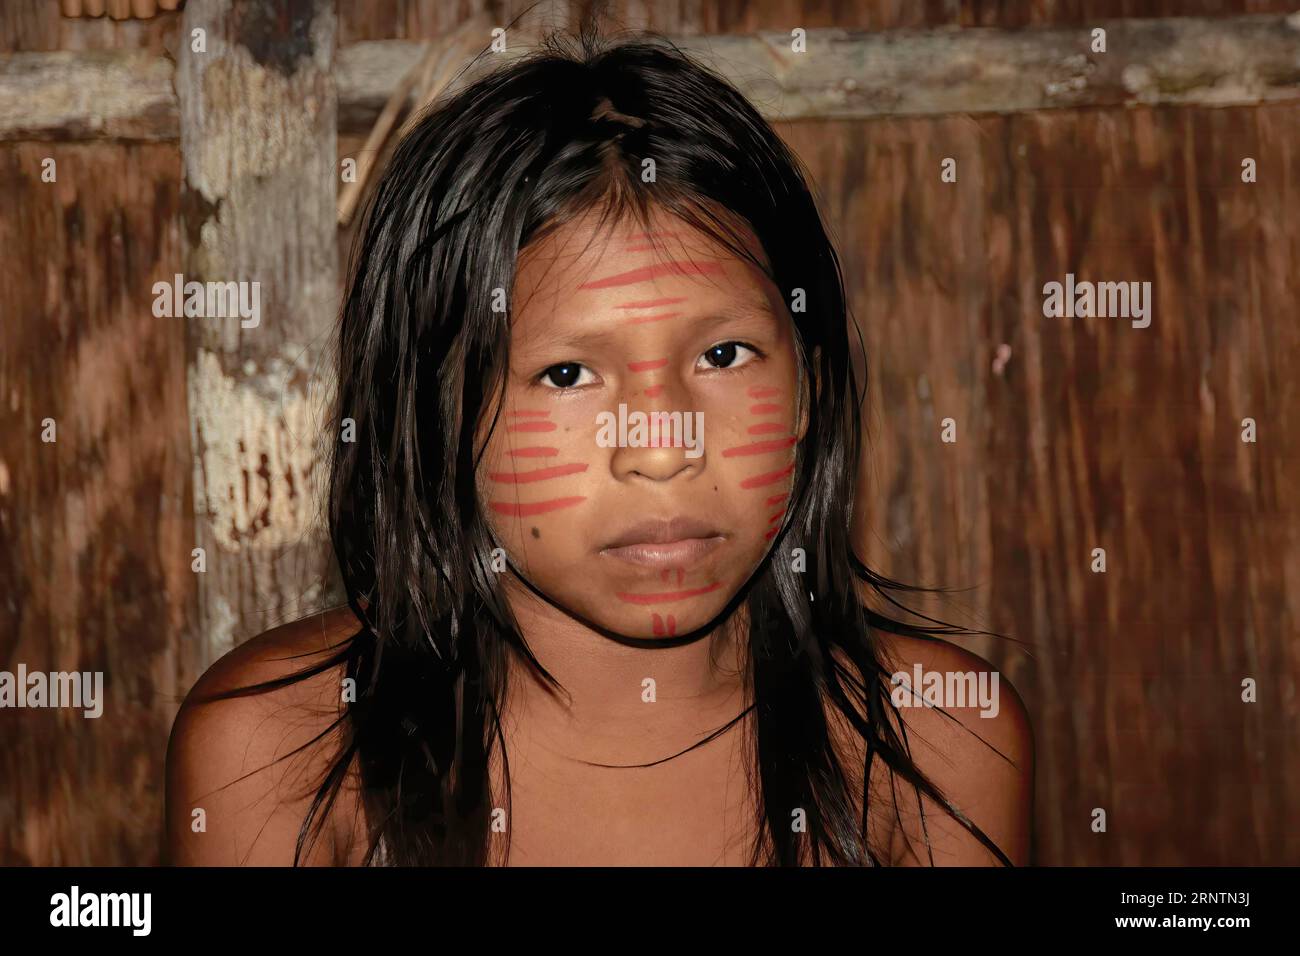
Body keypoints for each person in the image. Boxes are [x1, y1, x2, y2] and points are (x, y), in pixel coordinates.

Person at [164, 24, 1032, 867]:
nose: (660, 449)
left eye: (723, 355)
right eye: (569, 374)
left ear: (807, 385)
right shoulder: (279, 755)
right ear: (434, 413)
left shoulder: (939, 743)